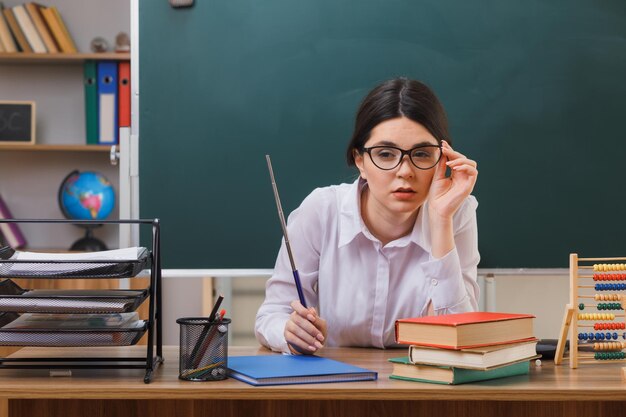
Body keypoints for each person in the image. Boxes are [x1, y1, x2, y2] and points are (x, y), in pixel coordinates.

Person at [255, 77, 479, 355]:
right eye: (386, 154)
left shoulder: (457, 211)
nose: (405, 171)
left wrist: (441, 220)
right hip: (335, 383)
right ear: (359, 160)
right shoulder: (321, 211)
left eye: (421, 154)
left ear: (443, 160)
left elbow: (458, 336)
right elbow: (271, 315)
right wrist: (289, 332)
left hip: (422, 386)